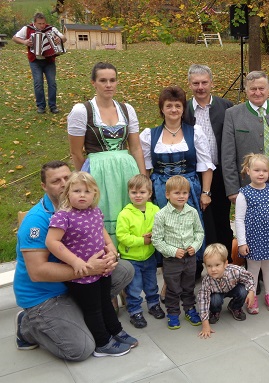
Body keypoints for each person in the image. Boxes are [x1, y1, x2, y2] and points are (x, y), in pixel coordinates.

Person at [14, 160, 134, 361]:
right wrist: (88, 270)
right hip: (45, 293)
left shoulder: (83, 207)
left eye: (66, 178)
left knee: (124, 269)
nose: (63, 183)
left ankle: (82, 314)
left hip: (75, 282)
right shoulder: (37, 221)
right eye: (55, 181)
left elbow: (99, 229)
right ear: (44, 187)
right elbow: (37, 272)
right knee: (80, 349)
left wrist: (111, 252)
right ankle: (27, 325)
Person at [45, 172, 138, 357]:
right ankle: (102, 343)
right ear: (67, 194)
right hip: (82, 275)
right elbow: (52, 242)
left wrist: (112, 249)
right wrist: (75, 261)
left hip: (101, 270)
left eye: (87, 191)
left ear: (95, 194)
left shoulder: (95, 211)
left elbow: (102, 234)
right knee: (93, 308)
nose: (82, 195)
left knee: (105, 301)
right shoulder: (64, 216)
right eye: (77, 190)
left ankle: (115, 330)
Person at [68, 62, 147, 246]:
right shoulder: (82, 111)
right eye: (103, 80)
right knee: (102, 214)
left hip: (126, 171)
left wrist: (143, 178)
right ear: (93, 83)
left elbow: (135, 148)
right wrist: (85, 181)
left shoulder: (127, 109)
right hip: (97, 171)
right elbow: (76, 152)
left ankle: (132, 259)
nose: (108, 84)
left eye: (112, 80)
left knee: (129, 215)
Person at [140, 85, 215, 262]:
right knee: (165, 228)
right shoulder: (150, 135)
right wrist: (147, 193)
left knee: (189, 227)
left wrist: (205, 192)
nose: (174, 109)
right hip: (160, 190)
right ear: (162, 109)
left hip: (189, 189)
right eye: (169, 106)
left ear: (183, 108)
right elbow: (146, 169)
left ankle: (192, 266)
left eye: (178, 106)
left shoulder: (195, 132)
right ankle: (168, 266)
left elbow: (206, 165)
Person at [183, 64, 235, 259]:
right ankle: (198, 265)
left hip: (221, 172)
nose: (201, 87)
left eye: (204, 82)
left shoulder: (226, 107)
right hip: (194, 173)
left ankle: (226, 262)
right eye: (196, 83)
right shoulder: (185, 109)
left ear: (211, 83)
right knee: (198, 220)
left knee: (222, 219)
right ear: (189, 85)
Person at [222, 71, 269, 199]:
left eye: (261, 88)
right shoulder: (233, 114)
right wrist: (232, 189)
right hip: (248, 182)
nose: (257, 93)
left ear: (268, 89)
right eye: (253, 89)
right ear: (246, 90)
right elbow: (228, 155)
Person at [235, 154, 269, 314]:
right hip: (253, 238)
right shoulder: (243, 194)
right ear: (248, 171)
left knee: (268, 266)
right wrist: (242, 242)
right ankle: (252, 296)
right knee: (253, 268)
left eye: (264, 170)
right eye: (257, 170)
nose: (261, 174)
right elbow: (239, 219)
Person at [152, 175, 205, 329]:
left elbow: (199, 233)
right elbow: (157, 239)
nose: (181, 196)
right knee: (173, 288)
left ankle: (189, 309)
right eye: (177, 193)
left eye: (184, 193)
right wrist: (173, 251)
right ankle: (173, 313)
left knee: (189, 286)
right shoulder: (161, 215)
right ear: (167, 195)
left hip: (190, 258)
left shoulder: (192, 212)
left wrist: (194, 247)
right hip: (172, 260)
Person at [116, 174, 165, 329]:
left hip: (149, 255)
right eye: (134, 192)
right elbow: (122, 236)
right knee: (134, 286)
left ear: (149, 194)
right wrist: (141, 240)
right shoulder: (125, 213)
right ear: (129, 193)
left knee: (151, 283)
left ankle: (153, 304)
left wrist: (153, 235)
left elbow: (161, 226)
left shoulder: (155, 209)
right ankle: (135, 310)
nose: (138, 196)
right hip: (131, 258)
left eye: (142, 192)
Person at [197, 244, 256, 339]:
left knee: (243, 291)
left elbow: (249, 278)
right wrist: (205, 324)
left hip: (233, 289)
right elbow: (203, 300)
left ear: (225, 263)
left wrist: (252, 292)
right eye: (209, 266)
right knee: (215, 299)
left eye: (217, 265)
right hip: (217, 293)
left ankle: (235, 307)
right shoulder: (207, 281)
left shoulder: (235, 271)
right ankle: (215, 311)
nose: (213, 269)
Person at [12, 12, 66, 114]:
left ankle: (53, 106)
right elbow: (14, 38)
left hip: (49, 60)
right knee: (38, 83)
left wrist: (60, 39)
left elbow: (64, 38)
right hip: (35, 61)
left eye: (43, 23)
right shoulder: (27, 29)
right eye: (40, 23)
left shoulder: (51, 29)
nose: (42, 26)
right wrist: (24, 42)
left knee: (52, 83)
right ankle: (41, 106)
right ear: (34, 23)